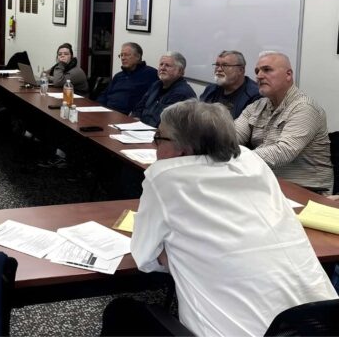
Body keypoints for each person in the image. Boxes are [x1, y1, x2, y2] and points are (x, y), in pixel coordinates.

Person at [106, 100, 337, 336]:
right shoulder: (252, 161)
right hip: (322, 324)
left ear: (182, 149)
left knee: (121, 311)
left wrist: (180, 252)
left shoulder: (165, 177)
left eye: (159, 137)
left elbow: (145, 258)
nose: (155, 145)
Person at [235, 51, 333, 193]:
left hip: (308, 190)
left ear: (288, 75)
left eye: (267, 70)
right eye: (257, 71)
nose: (259, 76)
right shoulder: (257, 106)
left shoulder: (305, 108)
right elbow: (232, 135)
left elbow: (283, 152)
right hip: (269, 182)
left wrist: (235, 156)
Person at [131, 51, 195, 127]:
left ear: (180, 71)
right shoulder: (156, 85)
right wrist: (135, 120)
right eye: (161, 64)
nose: (162, 68)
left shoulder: (182, 93)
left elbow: (165, 123)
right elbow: (139, 107)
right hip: (141, 130)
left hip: (159, 134)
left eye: (167, 65)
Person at [97, 42, 157, 114]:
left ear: (138, 57)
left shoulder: (150, 74)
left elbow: (153, 100)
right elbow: (104, 95)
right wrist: (98, 108)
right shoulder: (118, 76)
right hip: (108, 112)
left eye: (126, 55)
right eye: (121, 55)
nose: (122, 58)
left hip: (128, 115)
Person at [200, 50, 260, 118]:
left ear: (241, 70)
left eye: (225, 65)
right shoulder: (210, 89)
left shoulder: (255, 96)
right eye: (217, 65)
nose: (219, 69)